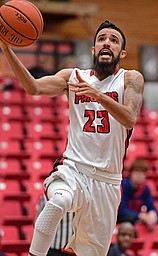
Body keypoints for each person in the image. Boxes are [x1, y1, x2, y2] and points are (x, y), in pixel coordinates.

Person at [0, 19, 144, 256]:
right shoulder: (73, 77)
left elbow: (130, 118)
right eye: (102, 39)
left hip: (108, 182)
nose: (107, 43)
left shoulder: (130, 79)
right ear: (94, 49)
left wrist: (98, 95)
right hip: (74, 169)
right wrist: (6, 50)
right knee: (58, 202)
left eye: (114, 40)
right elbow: (34, 88)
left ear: (122, 53)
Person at [117, 159, 158, 235]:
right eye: (137, 172)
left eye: (143, 173)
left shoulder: (145, 188)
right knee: (129, 219)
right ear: (131, 173)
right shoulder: (123, 186)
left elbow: (151, 205)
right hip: (124, 217)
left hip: (139, 216)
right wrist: (140, 216)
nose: (140, 176)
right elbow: (121, 210)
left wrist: (152, 213)